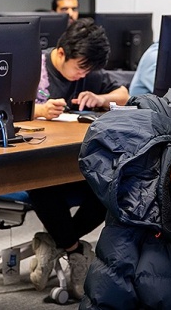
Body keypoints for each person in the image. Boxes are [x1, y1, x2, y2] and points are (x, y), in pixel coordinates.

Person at [28, 18, 129, 299]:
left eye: (89, 69)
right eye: (80, 67)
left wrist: (100, 98)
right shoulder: (34, 67)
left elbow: (124, 95)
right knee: (40, 182)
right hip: (35, 162)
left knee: (111, 185)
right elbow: (3, 105)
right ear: (61, 53)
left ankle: (56, 241)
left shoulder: (89, 73)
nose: (83, 74)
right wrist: (38, 111)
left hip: (76, 159)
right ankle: (74, 249)